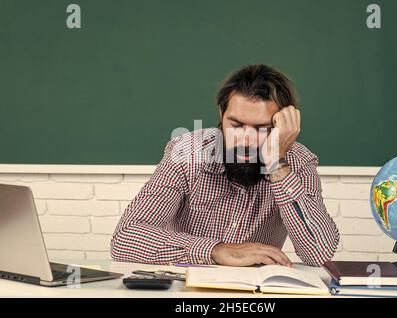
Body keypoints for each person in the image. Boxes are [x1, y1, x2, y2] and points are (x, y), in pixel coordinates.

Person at [110, 64, 339, 267]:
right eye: (236, 125)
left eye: (263, 128)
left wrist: (277, 163)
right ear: (222, 113)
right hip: (188, 288)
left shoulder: (298, 162)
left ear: (281, 125)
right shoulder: (187, 153)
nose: (246, 141)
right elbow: (125, 239)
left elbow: (318, 254)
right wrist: (216, 250)